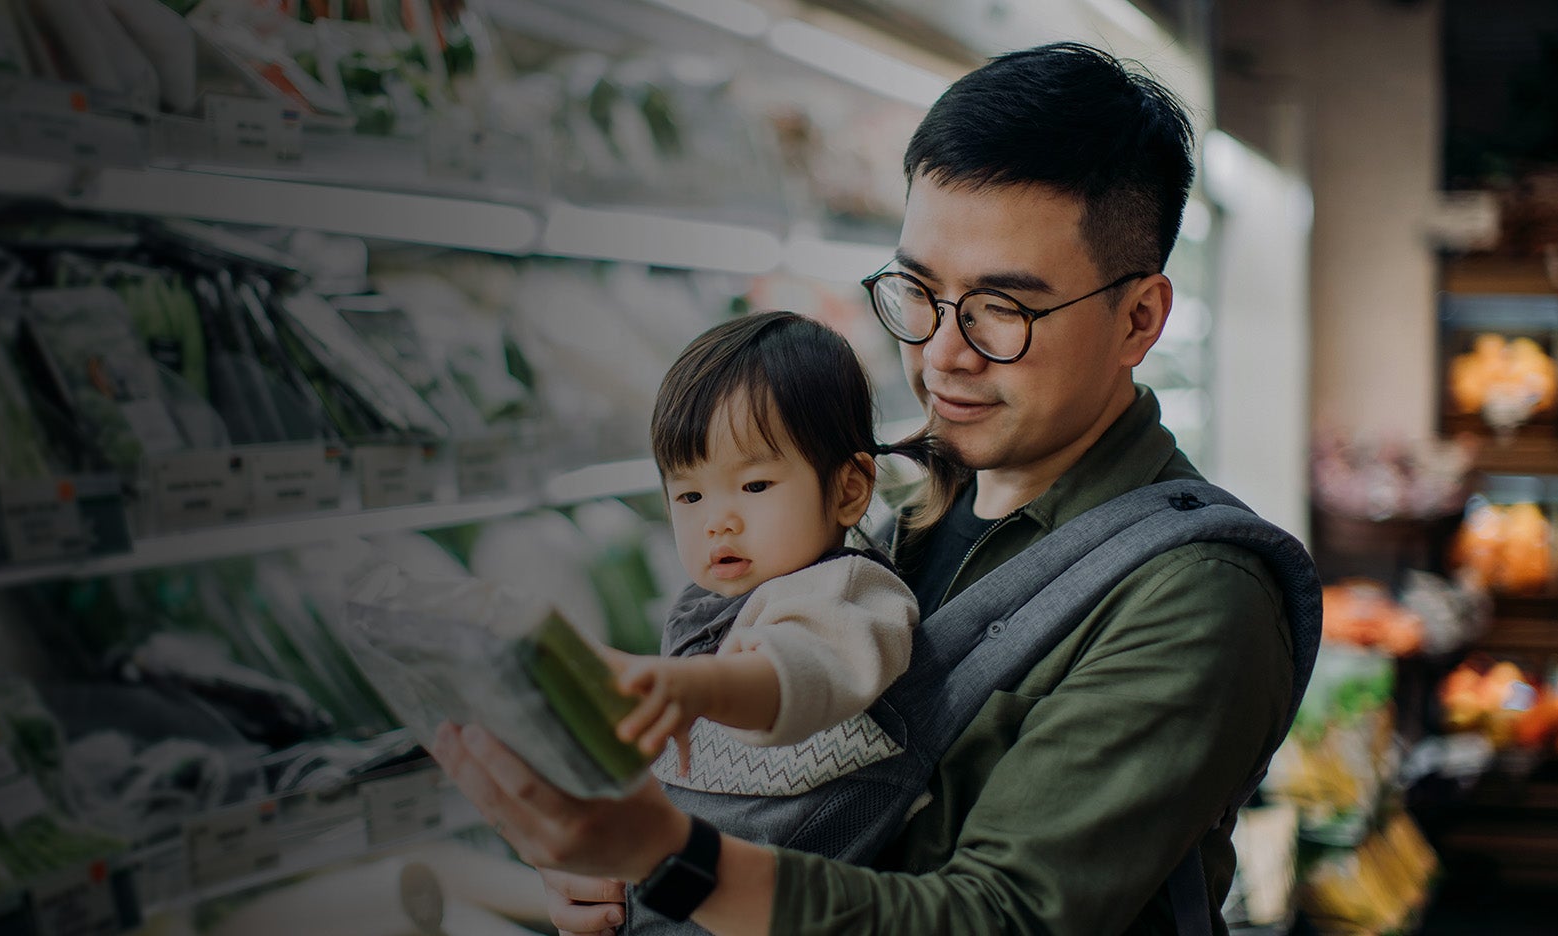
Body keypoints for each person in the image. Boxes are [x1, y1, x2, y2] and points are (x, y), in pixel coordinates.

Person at [430, 42, 1299, 936]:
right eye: (918, 290)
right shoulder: (889, 498)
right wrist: (607, 862)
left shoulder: (1195, 597)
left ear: (1140, 317)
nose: (940, 355)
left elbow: (998, 920)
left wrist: (676, 860)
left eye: (1003, 309)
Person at [603, 309, 934, 820]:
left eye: (754, 486)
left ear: (848, 489)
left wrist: (699, 687)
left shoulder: (850, 590)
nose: (718, 522)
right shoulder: (707, 602)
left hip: (800, 877)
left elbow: (798, 670)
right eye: (689, 496)